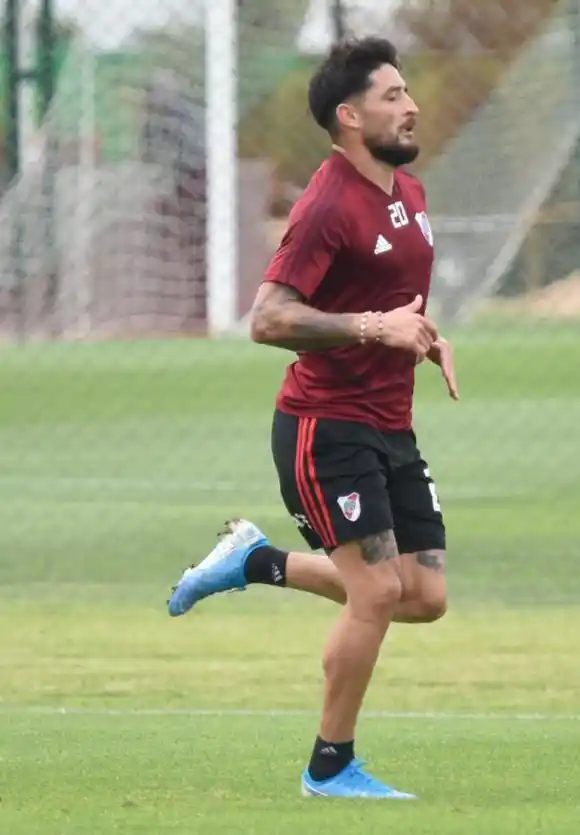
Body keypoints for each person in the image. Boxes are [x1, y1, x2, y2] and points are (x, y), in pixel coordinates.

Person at [166, 37, 459, 800]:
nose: (411, 104)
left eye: (407, 91)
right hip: (324, 426)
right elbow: (266, 320)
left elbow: (393, 306)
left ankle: (253, 562)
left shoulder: (410, 196)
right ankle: (329, 766)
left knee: (423, 594)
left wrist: (421, 335)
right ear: (349, 116)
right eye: (393, 95)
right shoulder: (327, 202)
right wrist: (373, 328)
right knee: (378, 593)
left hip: (389, 421)